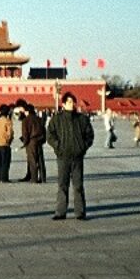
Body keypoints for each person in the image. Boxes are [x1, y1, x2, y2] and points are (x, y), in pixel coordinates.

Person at [46, 92, 94, 220]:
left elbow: (89, 135)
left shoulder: (82, 119)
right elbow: (50, 136)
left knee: (78, 185)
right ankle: (60, 212)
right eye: (69, 102)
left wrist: (82, 147)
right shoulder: (57, 119)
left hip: (77, 157)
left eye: (73, 102)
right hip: (63, 157)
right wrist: (58, 146)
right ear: (63, 104)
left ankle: (80, 212)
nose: (71, 105)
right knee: (62, 185)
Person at [20, 103, 46, 183]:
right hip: (39, 141)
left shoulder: (26, 120)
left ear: (27, 111)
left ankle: (34, 178)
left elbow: (25, 133)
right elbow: (44, 130)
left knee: (33, 160)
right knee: (40, 160)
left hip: (31, 142)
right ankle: (42, 178)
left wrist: (25, 142)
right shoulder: (39, 118)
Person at [0, 105, 14, 183]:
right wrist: (8, 140)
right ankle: (4, 178)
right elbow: (10, 133)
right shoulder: (7, 121)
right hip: (5, 144)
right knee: (5, 162)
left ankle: (0, 177)